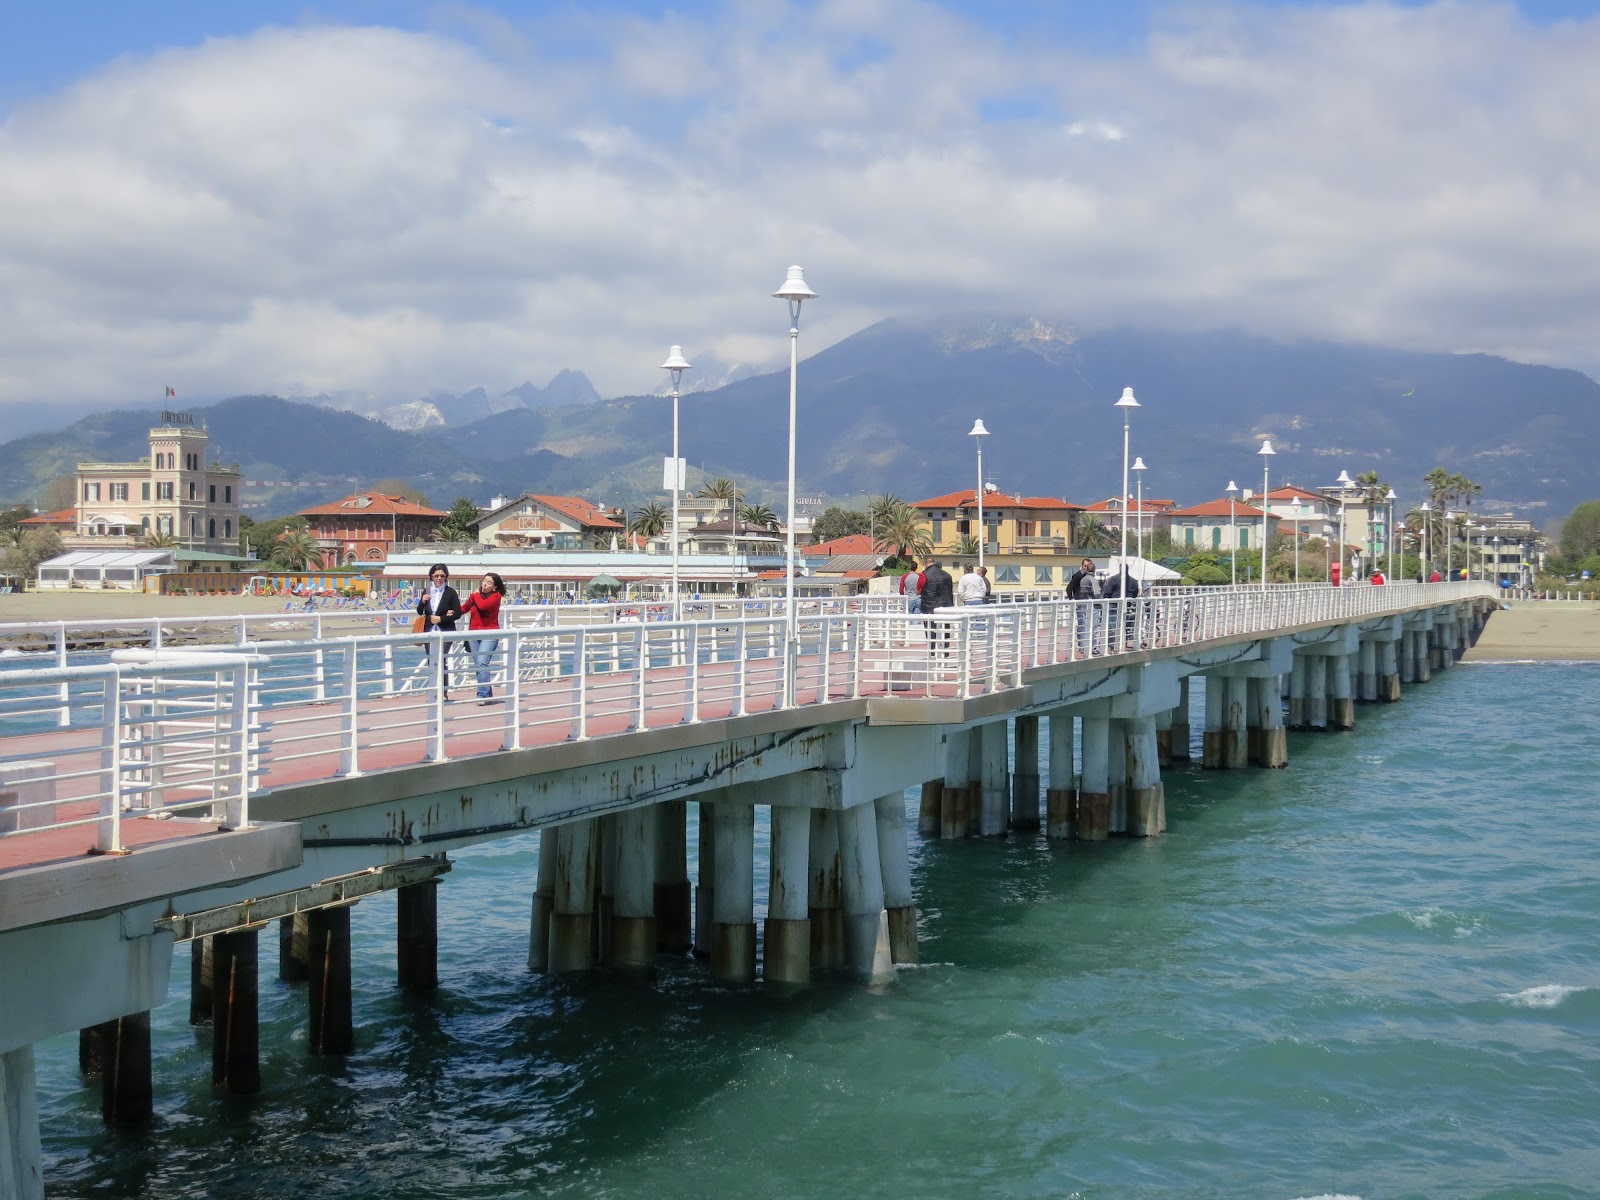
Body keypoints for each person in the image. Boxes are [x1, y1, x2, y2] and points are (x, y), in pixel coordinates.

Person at [461, 571, 506, 703]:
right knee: (479, 665)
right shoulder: (476, 595)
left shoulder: (496, 596)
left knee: (482, 662)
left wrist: (475, 594)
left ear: (495, 586)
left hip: (490, 633)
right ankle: (487, 694)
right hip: (474, 633)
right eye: (484, 580)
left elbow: (483, 605)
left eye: (489, 582)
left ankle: (482, 695)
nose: (485, 584)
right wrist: (449, 613)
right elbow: (464, 608)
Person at [416, 563, 461, 691]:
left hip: (446, 630)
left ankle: (443, 691)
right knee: (431, 661)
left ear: (446, 577)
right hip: (429, 631)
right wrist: (422, 601)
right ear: (431, 576)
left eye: (442, 575)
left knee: (441, 660)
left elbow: (457, 613)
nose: (439, 578)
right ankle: (434, 689)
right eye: (436, 575)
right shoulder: (427, 591)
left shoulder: (450, 592)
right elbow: (420, 612)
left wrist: (442, 618)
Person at [919, 558, 955, 660]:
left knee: (931, 630)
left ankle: (932, 653)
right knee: (945, 629)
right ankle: (945, 652)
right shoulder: (947, 575)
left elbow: (918, 590)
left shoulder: (923, 575)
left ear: (926, 564)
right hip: (945, 607)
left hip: (929, 607)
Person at [1067, 558, 1102, 656]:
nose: (1087, 568)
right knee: (1083, 625)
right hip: (1081, 603)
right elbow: (1069, 588)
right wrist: (1073, 599)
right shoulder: (1078, 576)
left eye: (1088, 566)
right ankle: (1083, 646)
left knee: (1086, 625)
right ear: (1082, 566)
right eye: (1085, 566)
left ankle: (1084, 646)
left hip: (1085, 603)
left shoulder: (1085, 577)